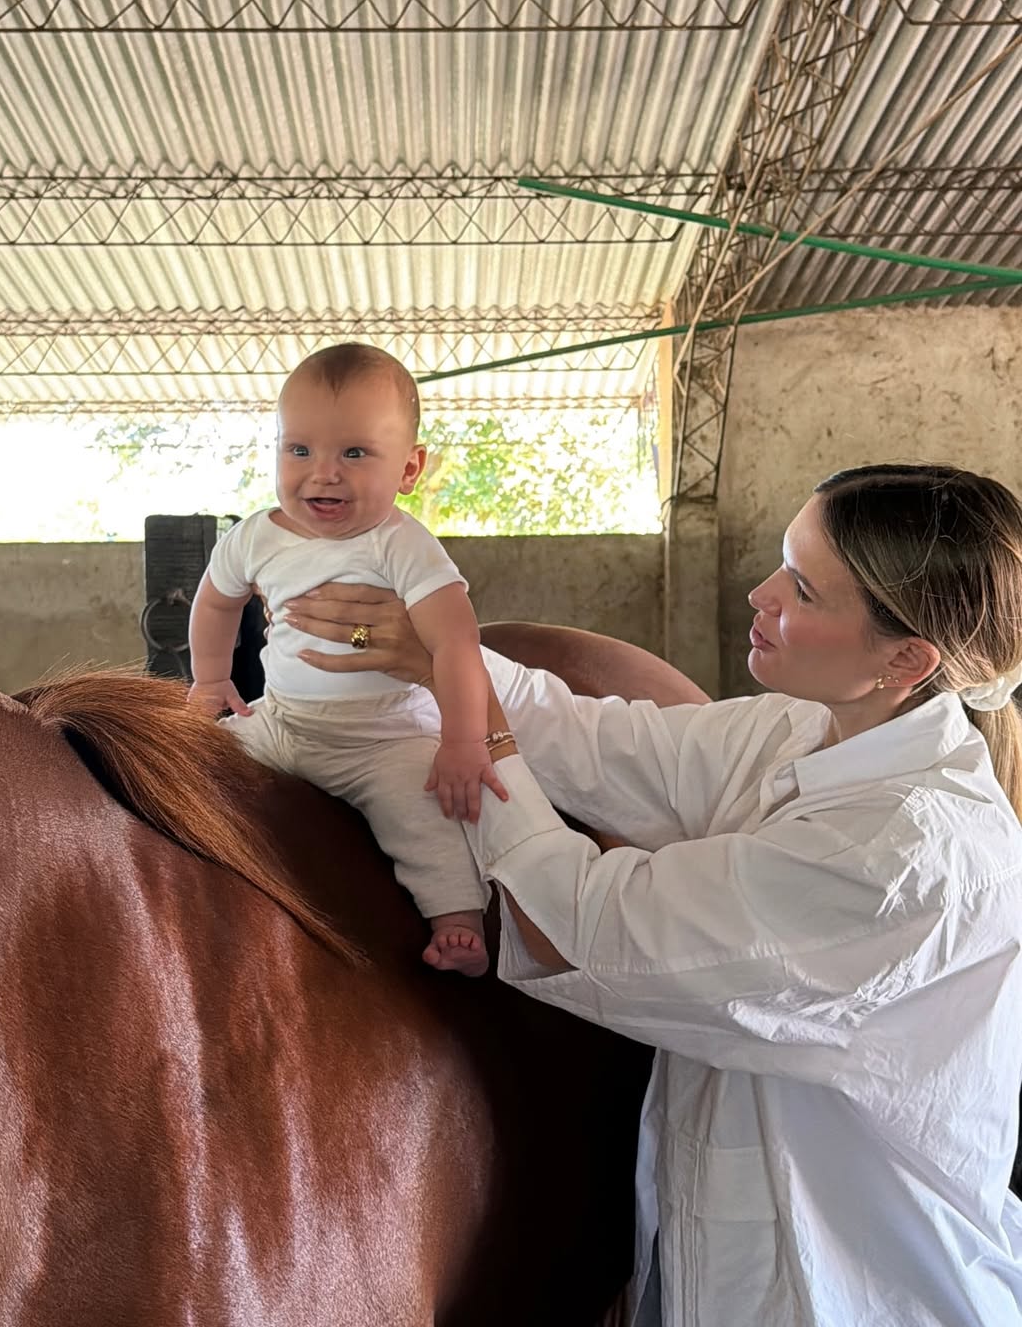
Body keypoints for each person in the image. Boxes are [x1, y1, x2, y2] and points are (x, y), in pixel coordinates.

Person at [282, 462, 1022, 1326]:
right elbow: (597, 743)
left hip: (843, 1297)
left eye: (804, 590)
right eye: (783, 563)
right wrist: (441, 651)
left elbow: (586, 925)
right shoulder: (801, 732)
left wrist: (465, 722)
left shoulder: (900, 857)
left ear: (906, 659)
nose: (760, 593)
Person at [187, 343, 506, 977]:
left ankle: (457, 921)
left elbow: (455, 644)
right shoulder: (255, 536)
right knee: (197, 766)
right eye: (298, 450)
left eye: (354, 453)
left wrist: (464, 740)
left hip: (381, 737)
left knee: (427, 815)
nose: (323, 473)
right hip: (281, 724)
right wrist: (211, 678)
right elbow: (216, 602)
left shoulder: (403, 546)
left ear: (410, 469)